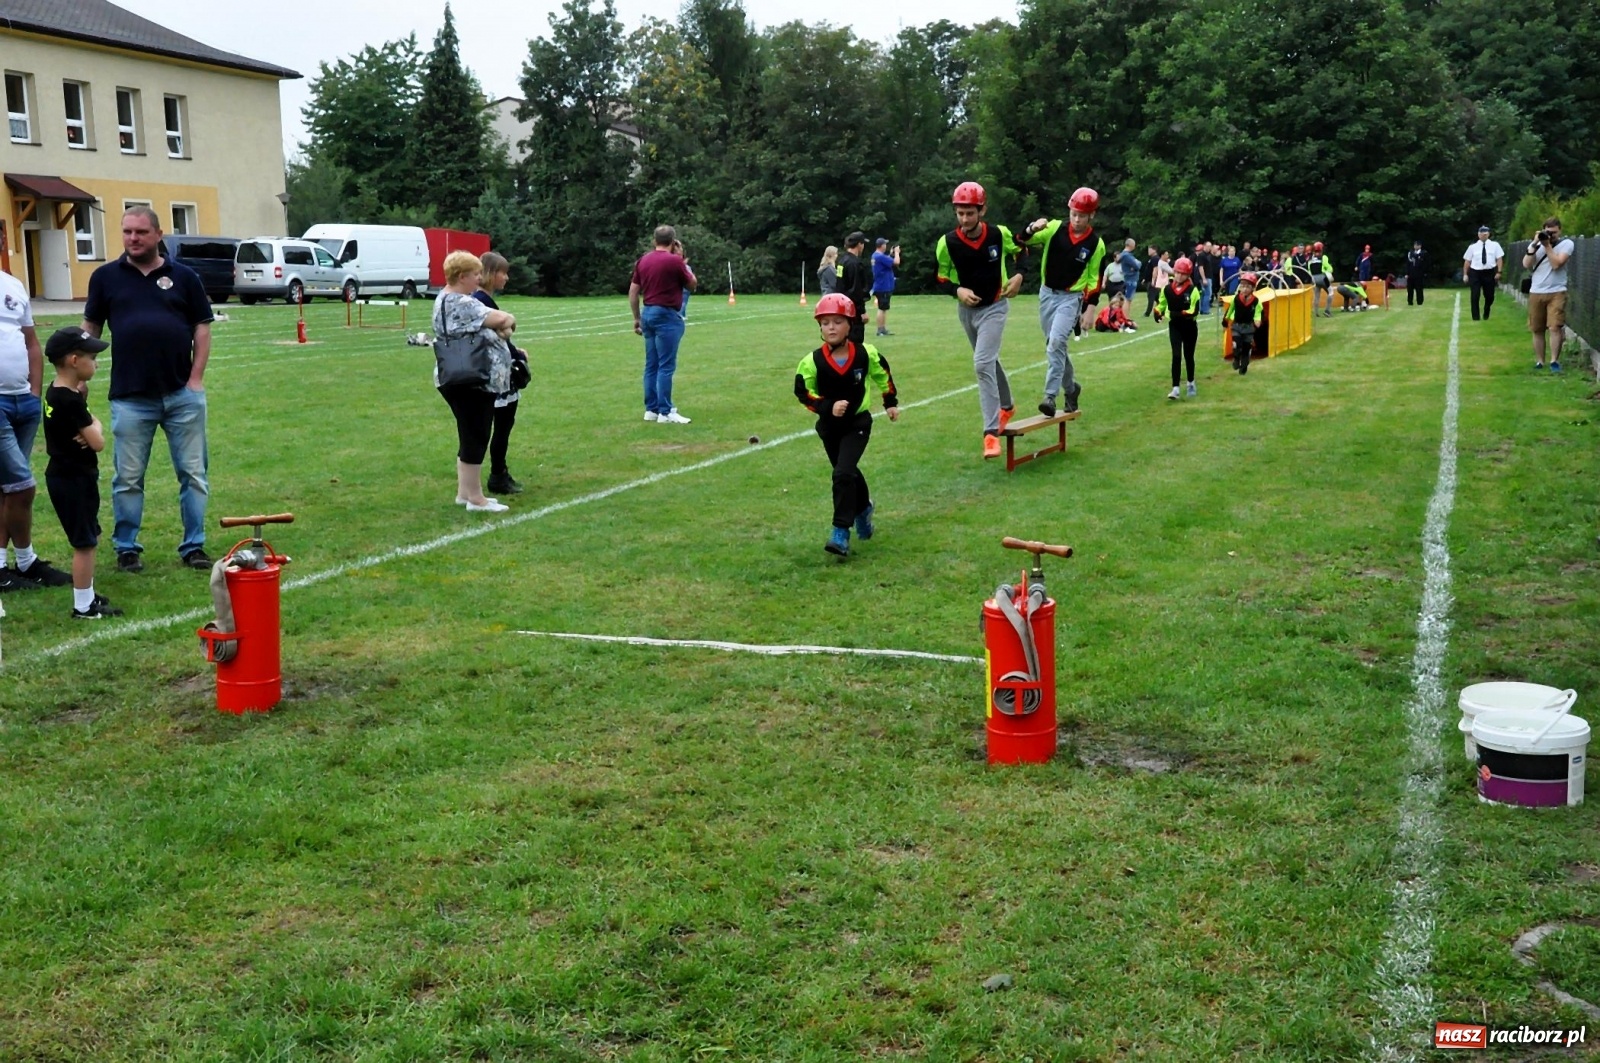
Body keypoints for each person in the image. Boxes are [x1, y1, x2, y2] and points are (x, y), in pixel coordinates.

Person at [81, 205, 213, 574]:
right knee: (127, 479)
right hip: (130, 397)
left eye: (140, 232)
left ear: (158, 234)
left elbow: (202, 328)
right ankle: (127, 548)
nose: (133, 238)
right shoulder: (105, 277)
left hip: (181, 395)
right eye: (127, 232)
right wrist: (78, 378)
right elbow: (90, 329)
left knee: (193, 475)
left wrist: (195, 379)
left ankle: (194, 546)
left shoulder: (184, 277)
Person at [793, 293, 899, 558]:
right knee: (847, 472)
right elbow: (803, 392)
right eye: (825, 322)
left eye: (837, 322)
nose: (831, 327)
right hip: (830, 428)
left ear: (850, 325)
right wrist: (827, 406)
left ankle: (840, 531)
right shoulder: (812, 362)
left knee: (842, 473)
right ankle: (863, 510)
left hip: (857, 424)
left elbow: (883, 375)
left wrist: (890, 402)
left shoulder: (865, 354)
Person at [937, 181, 1024, 459]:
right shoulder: (947, 242)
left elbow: (1021, 250)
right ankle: (1007, 406)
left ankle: (990, 433)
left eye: (970, 213)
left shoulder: (999, 234)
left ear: (982, 210)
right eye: (960, 213)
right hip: (967, 312)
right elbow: (940, 277)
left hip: (995, 307)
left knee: (982, 363)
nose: (964, 219)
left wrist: (1019, 275)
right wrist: (957, 290)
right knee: (988, 360)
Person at [41, 327, 121, 618]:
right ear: (74, 360)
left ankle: (87, 595)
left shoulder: (58, 391)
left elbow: (89, 426)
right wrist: (95, 427)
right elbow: (98, 442)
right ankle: (83, 606)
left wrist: (90, 426)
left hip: (67, 475)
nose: (96, 363)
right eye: (92, 358)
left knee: (89, 537)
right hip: (73, 478)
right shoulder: (70, 400)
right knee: (85, 544)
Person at [0, 267, 68, 593]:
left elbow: (30, 342)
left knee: (7, 488)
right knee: (21, 487)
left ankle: (8, 565)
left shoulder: (13, 285)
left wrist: (34, 392)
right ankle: (26, 560)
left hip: (22, 401)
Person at [434, 250, 515, 513]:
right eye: (475, 274)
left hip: (454, 375)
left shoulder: (443, 298)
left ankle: (465, 492)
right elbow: (503, 319)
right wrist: (506, 325)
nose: (479, 279)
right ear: (462, 276)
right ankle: (476, 499)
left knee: (469, 433)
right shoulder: (462, 302)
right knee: (477, 436)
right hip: (472, 378)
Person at [1019, 186, 1103, 421]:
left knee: (1056, 342)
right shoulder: (1055, 228)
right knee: (1055, 347)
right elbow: (1022, 240)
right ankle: (1072, 388)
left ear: (1091, 215)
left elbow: (1095, 279)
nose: (1076, 220)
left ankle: (1049, 396)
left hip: (1071, 298)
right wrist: (1032, 228)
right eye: (1073, 214)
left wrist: (1090, 308)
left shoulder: (1096, 244)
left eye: (1082, 216)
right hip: (1047, 294)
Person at [473, 251, 531, 496]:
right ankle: (497, 474)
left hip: (493, 369)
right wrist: (516, 354)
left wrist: (515, 351)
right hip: (494, 374)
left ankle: (496, 473)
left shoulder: (482, 299)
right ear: (490, 273)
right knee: (500, 425)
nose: (506, 278)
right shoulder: (481, 301)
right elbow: (497, 334)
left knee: (496, 426)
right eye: (502, 273)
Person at [629, 225, 698, 424]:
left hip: (648, 313)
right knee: (666, 365)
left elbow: (633, 292)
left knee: (651, 364)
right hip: (667, 315)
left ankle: (651, 409)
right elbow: (692, 284)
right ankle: (666, 411)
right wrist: (681, 260)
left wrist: (637, 317)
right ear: (673, 242)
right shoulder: (674, 261)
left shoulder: (643, 260)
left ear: (654, 241)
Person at [1522, 216, 1574, 371]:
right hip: (1536, 291)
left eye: (1554, 233)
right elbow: (1526, 264)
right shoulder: (1537, 245)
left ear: (1560, 231)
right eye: (1548, 232)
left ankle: (1554, 361)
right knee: (1537, 328)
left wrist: (1547, 246)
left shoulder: (1566, 244)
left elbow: (1557, 264)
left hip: (1557, 291)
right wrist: (1534, 243)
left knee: (1554, 327)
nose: (1551, 236)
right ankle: (1540, 361)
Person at [1154, 255, 1201, 399]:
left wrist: (1180, 313)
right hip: (1175, 326)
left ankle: (1191, 382)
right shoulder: (1167, 289)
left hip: (1189, 327)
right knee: (1176, 355)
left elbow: (1194, 311)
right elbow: (1162, 304)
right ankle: (1175, 388)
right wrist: (1157, 311)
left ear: (1188, 275)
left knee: (1188, 356)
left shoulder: (1192, 290)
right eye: (1177, 272)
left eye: (1183, 274)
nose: (1179, 276)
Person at [1224, 271, 1267, 376]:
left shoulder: (1256, 301)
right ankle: (1236, 358)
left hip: (1248, 328)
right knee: (1236, 345)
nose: (1245, 289)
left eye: (1248, 286)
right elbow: (1230, 310)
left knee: (1246, 348)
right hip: (1237, 326)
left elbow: (1258, 312)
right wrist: (1225, 320)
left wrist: (1257, 321)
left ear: (1253, 288)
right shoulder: (1236, 298)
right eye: (1242, 286)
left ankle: (1244, 365)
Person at [1462, 225, 1504, 322]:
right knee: (1475, 295)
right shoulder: (1472, 247)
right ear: (1478, 235)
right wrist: (1465, 274)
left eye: (1485, 234)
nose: (1483, 236)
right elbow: (1467, 261)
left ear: (1488, 234)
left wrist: (1499, 272)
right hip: (1475, 272)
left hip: (1489, 272)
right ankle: (1475, 317)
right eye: (1481, 234)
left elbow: (1499, 259)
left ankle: (1487, 309)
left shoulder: (1495, 245)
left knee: (1489, 296)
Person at [837, 233, 873, 345]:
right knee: (855, 342)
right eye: (863, 244)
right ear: (859, 244)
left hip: (841, 307)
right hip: (853, 310)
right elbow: (856, 290)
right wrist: (862, 311)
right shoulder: (855, 263)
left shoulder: (842, 261)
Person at [871, 238, 901, 336]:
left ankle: (883, 329)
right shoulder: (880, 256)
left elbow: (887, 261)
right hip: (883, 286)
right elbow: (896, 262)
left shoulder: (875, 255)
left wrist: (891, 254)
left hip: (880, 285)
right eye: (885, 244)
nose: (886, 246)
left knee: (883, 308)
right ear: (882, 245)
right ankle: (880, 330)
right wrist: (897, 253)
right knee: (882, 308)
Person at [1310, 241, 1334, 317]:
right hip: (1323, 277)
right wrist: (1329, 270)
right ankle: (1327, 311)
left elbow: (1309, 270)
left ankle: (1315, 312)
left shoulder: (1310, 259)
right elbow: (1329, 268)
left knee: (1316, 296)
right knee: (1331, 292)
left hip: (1313, 278)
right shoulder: (1324, 257)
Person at [1145, 250, 1171, 317]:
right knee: (1157, 297)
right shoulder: (1161, 262)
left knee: (1155, 297)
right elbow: (1155, 270)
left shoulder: (1158, 260)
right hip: (1161, 283)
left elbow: (1156, 270)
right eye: (1166, 254)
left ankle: (1157, 311)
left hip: (1161, 283)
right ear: (1162, 255)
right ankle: (1161, 311)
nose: (1168, 256)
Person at [1118, 238, 1141, 306]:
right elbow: (1137, 266)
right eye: (1134, 245)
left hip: (1128, 278)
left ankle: (1125, 313)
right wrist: (1137, 263)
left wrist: (1136, 264)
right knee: (1127, 300)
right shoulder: (1127, 255)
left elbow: (1137, 264)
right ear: (1131, 245)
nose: (1134, 246)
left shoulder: (1124, 255)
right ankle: (1125, 313)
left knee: (1128, 299)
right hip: (1131, 279)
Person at [1405, 240, 1426, 305]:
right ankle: (1410, 301)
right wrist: (1407, 273)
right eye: (1414, 245)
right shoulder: (1410, 253)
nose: (1415, 246)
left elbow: (1425, 264)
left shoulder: (1423, 253)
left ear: (1420, 246)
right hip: (1411, 274)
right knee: (1410, 289)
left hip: (1419, 274)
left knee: (1419, 289)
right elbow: (1408, 264)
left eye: (1417, 245)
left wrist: (1424, 272)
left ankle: (1420, 301)